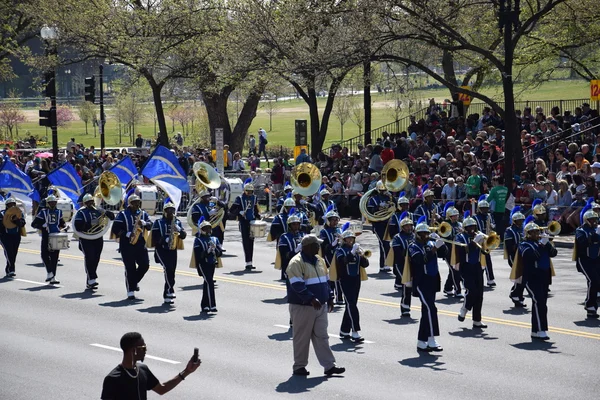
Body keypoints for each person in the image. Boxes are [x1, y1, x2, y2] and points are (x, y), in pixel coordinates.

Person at [286, 234, 345, 377]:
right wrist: (311, 298)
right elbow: (297, 285)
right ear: (307, 247)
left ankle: (329, 366)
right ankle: (299, 366)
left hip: (320, 306)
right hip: (303, 306)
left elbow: (325, 281)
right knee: (302, 337)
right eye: (316, 245)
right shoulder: (296, 262)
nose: (319, 247)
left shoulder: (319, 260)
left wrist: (330, 297)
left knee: (322, 336)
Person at [101, 332, 200, 400]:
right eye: (143, 348)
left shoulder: (143, 370)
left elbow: (162, 389)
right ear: (134, 350)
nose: (145, 350)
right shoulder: (113, 379)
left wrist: (187, 371)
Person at [409, 221, 447, 352]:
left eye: (427, 233)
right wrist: (434, 249)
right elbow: (420, 260)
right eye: (423, 233)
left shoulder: (430, 243)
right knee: (431, 309)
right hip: (421, 282)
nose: (426, 235)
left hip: (432, 280)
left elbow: (444, 254)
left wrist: (441, 244)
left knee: (426, 311)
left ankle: (421, 341)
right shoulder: (413, 246)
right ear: (417, 234)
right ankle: (431, 339)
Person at [518, 222, 558, 340]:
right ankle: (541, 330)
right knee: (539, 302)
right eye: (533, 232)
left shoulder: (542, 243)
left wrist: (548, 243)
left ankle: (535, 330)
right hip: (531, 278)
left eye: (537, 232)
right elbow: (531, 256)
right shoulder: (524, 244)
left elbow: (554, 253)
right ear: (527, 234)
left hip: (544, 277)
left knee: (541, 304)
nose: (536, 234)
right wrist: (542, 244)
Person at [111, 195, 153, 300]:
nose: (137, 204)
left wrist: (145, 223)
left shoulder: (142, 214)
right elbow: (115, 228)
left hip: (140, 243)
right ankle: (130, 290)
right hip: (127, 244)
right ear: (129, 203)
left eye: (138, 202)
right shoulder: (123, 214)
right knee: (130, 268)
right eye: (134, 202)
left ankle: (133, 282)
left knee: (145, 265)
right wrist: (127, 234)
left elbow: (150, 224)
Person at [73, 194, 115, 290]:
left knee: (96, 258)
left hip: (97, 236)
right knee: (89, 257)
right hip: (86, 238)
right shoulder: (81, 212)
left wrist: (106, 212)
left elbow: (112, 217)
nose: (90, 203)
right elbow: (78, 226)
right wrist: (90, 224)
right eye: (88, 202)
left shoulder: (98, 211)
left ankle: (90, 280)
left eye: (92, 201)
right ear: (84, 203)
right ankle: (92, 278)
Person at [335, 229, 369, 341]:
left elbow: (365, 265)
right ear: (344, 240)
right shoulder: (340, 250)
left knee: (350, 305)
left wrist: (362, 255)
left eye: (352, 238)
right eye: (348, 238)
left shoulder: (356, 250)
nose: (351, 240)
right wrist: (352, 253)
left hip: (356, 280)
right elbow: (341, 261)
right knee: (352, 305)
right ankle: (355, 331)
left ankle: (344, 330)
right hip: (345, 280)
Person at [456, 216, 488, 329]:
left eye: (473, 226)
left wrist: (486, 243)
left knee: (479, 294)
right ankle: (464, 308)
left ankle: (477, 320)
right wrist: (474, 242)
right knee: (472, 290)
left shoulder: (478, 236)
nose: (472, 228)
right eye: (469, 226)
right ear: (465, 227)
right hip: (466, 267)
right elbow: (462, 250)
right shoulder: (460, 237)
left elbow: (485, 252)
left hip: (477, 266)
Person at [152, 201, 187, 304]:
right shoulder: (158, 222)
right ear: (164, 212)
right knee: (168, 268)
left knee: (171, 271)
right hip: (161, 249)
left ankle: (167, 294)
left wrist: (179, 229)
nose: (171, 212)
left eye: (173, 210)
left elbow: (183, 236)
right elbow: (154, 237)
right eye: (169, 210)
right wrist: (165, 240)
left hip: (172, 249)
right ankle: (171, 289)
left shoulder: (177, 222)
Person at [31, 194, 66, 284]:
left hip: (56, 235)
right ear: (48, 203)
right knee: (44, 255)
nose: (53, 204)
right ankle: (49, 272)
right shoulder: (43, 212)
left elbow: (62, 223)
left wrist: (64, 227)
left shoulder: (59, 212)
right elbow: (34, 224)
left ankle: (53, 276)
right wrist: (42, 226)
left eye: (54, 202)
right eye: (51, 202)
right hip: (47, 236)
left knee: (55, 257)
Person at [574, 210, 600, 319]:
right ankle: (590, 305)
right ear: (586, 220)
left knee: (597, 282)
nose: (594, 221)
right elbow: (582, 242)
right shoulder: (581, 230)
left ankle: (591, 304)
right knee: (593, 280)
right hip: (585, 260)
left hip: (597, 259)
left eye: (595, 219)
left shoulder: (597, 229)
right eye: (592, 219)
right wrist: (595, 235)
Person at [230, 181, 261, 271]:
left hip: (252, 222)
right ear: (244, 190)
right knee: (246, 242)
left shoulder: (254, 198)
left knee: (251, 242)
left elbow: (255, 209)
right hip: (243, 222)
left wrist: (258, 216)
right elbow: (232, 210)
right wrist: (239, 212)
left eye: (251, 191)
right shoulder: (239, 198)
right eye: (248, 191)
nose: (249, 193)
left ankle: (250, 262)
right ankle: (247, 262)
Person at [193, 218, 223, 312]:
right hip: (203, 264)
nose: (208, 231)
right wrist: (207, 251)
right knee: (209, 282)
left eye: (209, 228)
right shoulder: (198, 240)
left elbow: (219, 253)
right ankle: (212, 305)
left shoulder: (214, 239)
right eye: (205, 229)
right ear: (201, 230)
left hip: (212, 263)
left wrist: (215, 249)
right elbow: (198, 256)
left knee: (207, 283)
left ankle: (204, 305)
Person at [390, 213, 415, 315]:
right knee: (406, 285)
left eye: (410, 225)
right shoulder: (397, 237)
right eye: (407, 226)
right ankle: (405, 308)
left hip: (413, 264)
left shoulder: (415, 236)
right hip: (401, 265)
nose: (409, 228)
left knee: (413, 286)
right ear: (402, 227)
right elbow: (397, 253)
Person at [319, 210, 344, 305]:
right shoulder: (323, 231)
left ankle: (339, 297)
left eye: (336, 220)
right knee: (333, 277)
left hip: (339, 255)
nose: (335, 222)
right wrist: (333, 244)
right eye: (333, 220)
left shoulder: (339, 230)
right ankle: (333, 296)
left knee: (340, 276)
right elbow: (323, 246)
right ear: (328, 221)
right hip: (329, 256)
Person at [367, 180, 393, 273]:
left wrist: (390, 204)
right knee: (383, 244)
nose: (383, 192)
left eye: (384, 190)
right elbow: (370, 211)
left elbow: (393, 208)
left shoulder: (388, 197)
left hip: (387, 223)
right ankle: (384, 264)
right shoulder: (373, 199)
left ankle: (384, 265)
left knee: (386, 244)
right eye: (381, 190)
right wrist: (378, 206)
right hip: (378, 224)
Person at [505, 208, 526, 308]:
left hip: (523, 255)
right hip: (514, 256)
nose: (521, 222)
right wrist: (519, 246)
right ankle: (515, 294)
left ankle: (518, 296)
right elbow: (509, 246)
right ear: (514, 221)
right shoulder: (509, 231)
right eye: (519, 220)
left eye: (522, 220)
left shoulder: (523, 229)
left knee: (523, 277)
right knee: (520, 276)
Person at [0, 198, 26, 278]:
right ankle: (12, 269)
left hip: (16, 235)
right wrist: (6, 221)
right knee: (9, 252)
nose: (12, 206)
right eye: (10, 205)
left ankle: (8, 268)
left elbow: (22, 223)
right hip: (5, 236)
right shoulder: (2, 213)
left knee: (14, 253)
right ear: (7, 206)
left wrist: (16, 220)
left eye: (13, 204)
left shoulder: (19, 213)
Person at [474, 196, 496, 287]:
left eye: (486, 208)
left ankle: (490, 279)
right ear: (479, 208)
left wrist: (492, 226)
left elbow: (493, 225)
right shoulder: (475, 217)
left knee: (487, 260)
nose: (485, 210)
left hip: (487, 241)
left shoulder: (489, 216)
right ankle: (479, 278)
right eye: (483, 208)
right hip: (479, 241)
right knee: (479, 261)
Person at [442, 206, 463, 298]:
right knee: (455, 271)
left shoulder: (460, 224)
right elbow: (446, 237)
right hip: (448, 251)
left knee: (454, 270)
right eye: (453, 216)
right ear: (449, 216)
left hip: (458, 250)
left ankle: (447, 288)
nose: (455, 217)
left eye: (456, 215)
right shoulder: (445, 224)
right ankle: (457, 290)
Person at [276, 214, 305, 282]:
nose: (296, 226)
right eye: (293, 224)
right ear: (289, 226)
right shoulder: (284, 237)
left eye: (297, 224)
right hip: (289, 267)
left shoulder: (302, 235)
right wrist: (296, 250)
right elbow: (284, 255)